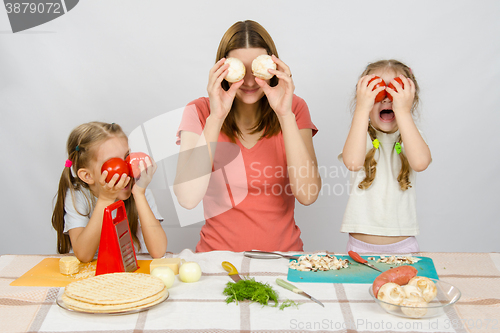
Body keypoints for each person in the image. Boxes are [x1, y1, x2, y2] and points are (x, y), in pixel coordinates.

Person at [174, 20, 321, 252]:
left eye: (257, 69)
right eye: (240, 70)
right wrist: (216, 117)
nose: (251, 81)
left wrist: (285, 115)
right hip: (218, 263)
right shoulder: (199, 112)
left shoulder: (294, 108)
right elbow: (187, 198)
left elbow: (308, 194)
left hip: (283, 259)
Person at [339, 60, 432, 253]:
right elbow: (353, 163)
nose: (387, 99)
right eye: (377, 90)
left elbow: (421, 162)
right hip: (359, 247)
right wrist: (362, 108)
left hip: (403, 246)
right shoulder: (361, 135)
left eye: (396, 91)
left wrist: (403, 110)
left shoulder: (410, 136)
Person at [52, 122, 167, 262]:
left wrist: (139, 194)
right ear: (87, 176)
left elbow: (158, 251)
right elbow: (83, 255)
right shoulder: (78, 196)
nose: (126, 169)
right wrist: (105, 200)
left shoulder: (138, 189)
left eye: (127, 157)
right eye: (114, 163)